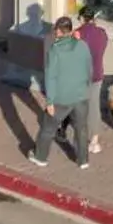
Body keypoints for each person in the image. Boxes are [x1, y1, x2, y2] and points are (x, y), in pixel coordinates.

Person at [31, 15, 97, 169]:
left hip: (62, 98)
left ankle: (40, 157)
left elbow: (51, 77)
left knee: (48, 128)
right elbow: (90, 69)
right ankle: (83, 160)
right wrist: (86, 87)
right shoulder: (82, 45)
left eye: (56, 30)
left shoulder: (55, 50)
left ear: (59, 31)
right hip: (81, 95)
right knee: (81, 129)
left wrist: (50, 102)